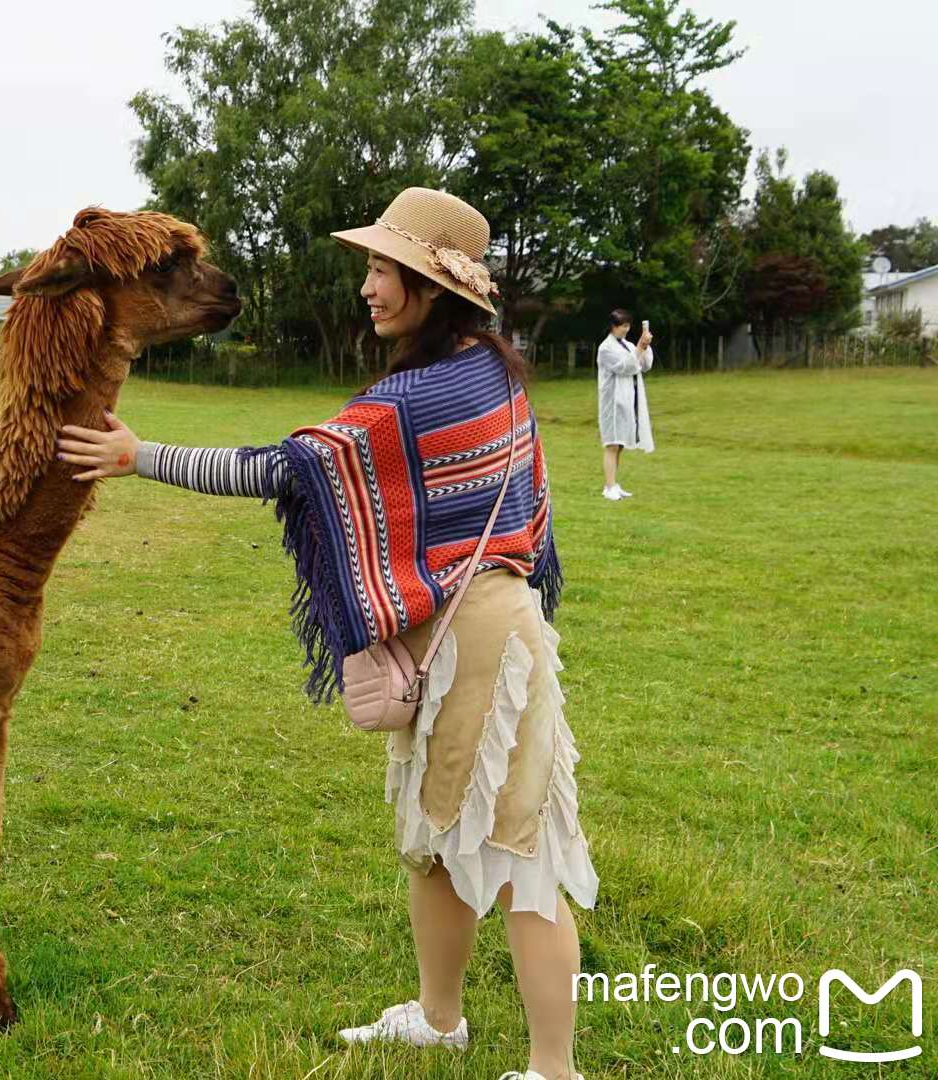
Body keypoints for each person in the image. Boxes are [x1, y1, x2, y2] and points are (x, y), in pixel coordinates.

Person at [58, 188, 598, 1080]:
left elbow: (286, 467)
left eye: (386, 270)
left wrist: (139, 456)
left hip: (480, 645)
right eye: (373, 269)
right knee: (433, 839)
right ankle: (438, 1017)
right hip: (469, 633)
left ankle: (554, 1069)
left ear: (436, 287)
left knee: (520, 856)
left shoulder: (416, 396)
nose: (369, 288)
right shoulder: (491, 372)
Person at [596, 309, 654, 499]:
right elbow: (625, 367)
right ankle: (609, 486)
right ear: (614, 326)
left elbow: (644, 365)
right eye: (623, 326)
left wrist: (644, 346)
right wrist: (639, 348)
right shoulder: (606, 348)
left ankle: (612, 484)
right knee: (611, 444)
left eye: (628, 326)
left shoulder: (628, 345)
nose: (626, 329)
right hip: (612, 402)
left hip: (628, 401)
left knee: (619, 444)